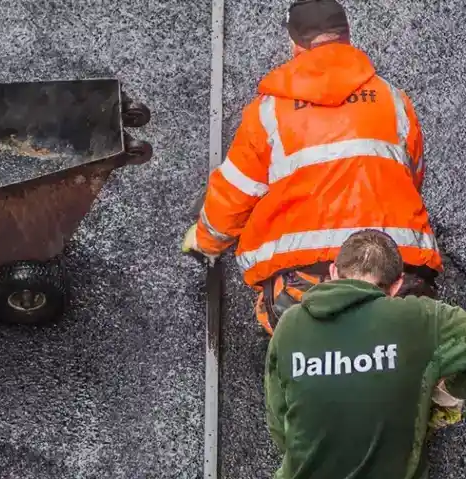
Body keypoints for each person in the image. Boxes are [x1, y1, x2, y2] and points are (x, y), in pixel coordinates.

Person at [181, 0, 442, 336]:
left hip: (304, 281)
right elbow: (411, 176)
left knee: (298, 340)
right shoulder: (393, 100)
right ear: (347, 37)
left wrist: (205, 241)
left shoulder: (269, 112)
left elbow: (235, 193)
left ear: (294, 44)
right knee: (408, 344)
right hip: (395, 269)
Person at [264, 229, 466, 479]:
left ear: (333, 271)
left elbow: (278, 422)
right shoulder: (419, 317)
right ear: (396, 285)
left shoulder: (290, 324)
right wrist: (451, 390)